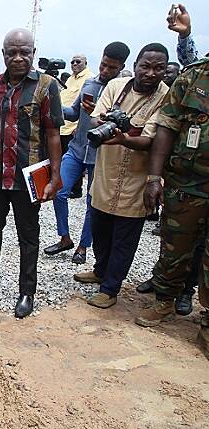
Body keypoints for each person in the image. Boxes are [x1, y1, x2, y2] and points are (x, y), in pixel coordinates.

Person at [0, 28, 63, 318]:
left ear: (33, 52)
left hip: (28, 176)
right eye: (12, 52)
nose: (18, 58)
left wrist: (55, 176)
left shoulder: (46, 86)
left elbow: (54, 134)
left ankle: (26, 292)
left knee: (28, 235)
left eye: (25, 52)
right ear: (3, 54)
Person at [74, 43, 170, 309]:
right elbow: (94, 119)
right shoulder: (117, 86)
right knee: (100, 229)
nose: (151, 73)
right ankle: (100, 270)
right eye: (146, 66)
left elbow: (152, 139)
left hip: (136, 178)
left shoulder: (165, 96)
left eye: (158, 68)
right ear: (136, 64)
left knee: (124, 238)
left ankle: (110, 288)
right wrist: (106, 122)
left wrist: (125, 137)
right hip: (106, 173)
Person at [134, 56, 209, 360]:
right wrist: (154, 177)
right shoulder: (195, 75)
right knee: (174, 245)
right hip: (187, 183)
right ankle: (165, 299)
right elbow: (166, 126)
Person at [45, 42, 130, 264]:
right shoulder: (89, 83)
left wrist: (100, 114)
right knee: (58, 190)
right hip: (76, 149)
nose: (105, 71)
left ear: (121, 66)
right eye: (103, 65)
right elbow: (73, 113)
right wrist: (53, 105)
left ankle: (83, 247)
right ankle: (65, 238)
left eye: (111, 68)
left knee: (93, 204)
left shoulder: (124, 91)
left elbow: (125, 124)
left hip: (101, 156)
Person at [60, 55, 93, 199]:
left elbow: (82, 109)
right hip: (63, 124)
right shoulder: (70, 78)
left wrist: (77, 126)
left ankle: (76, 189)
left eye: (77, 61)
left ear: (85, 63)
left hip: (74, 128)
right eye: (72, 61)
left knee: (77, 160)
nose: (74, 64)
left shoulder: (90, 80)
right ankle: (67, 187)